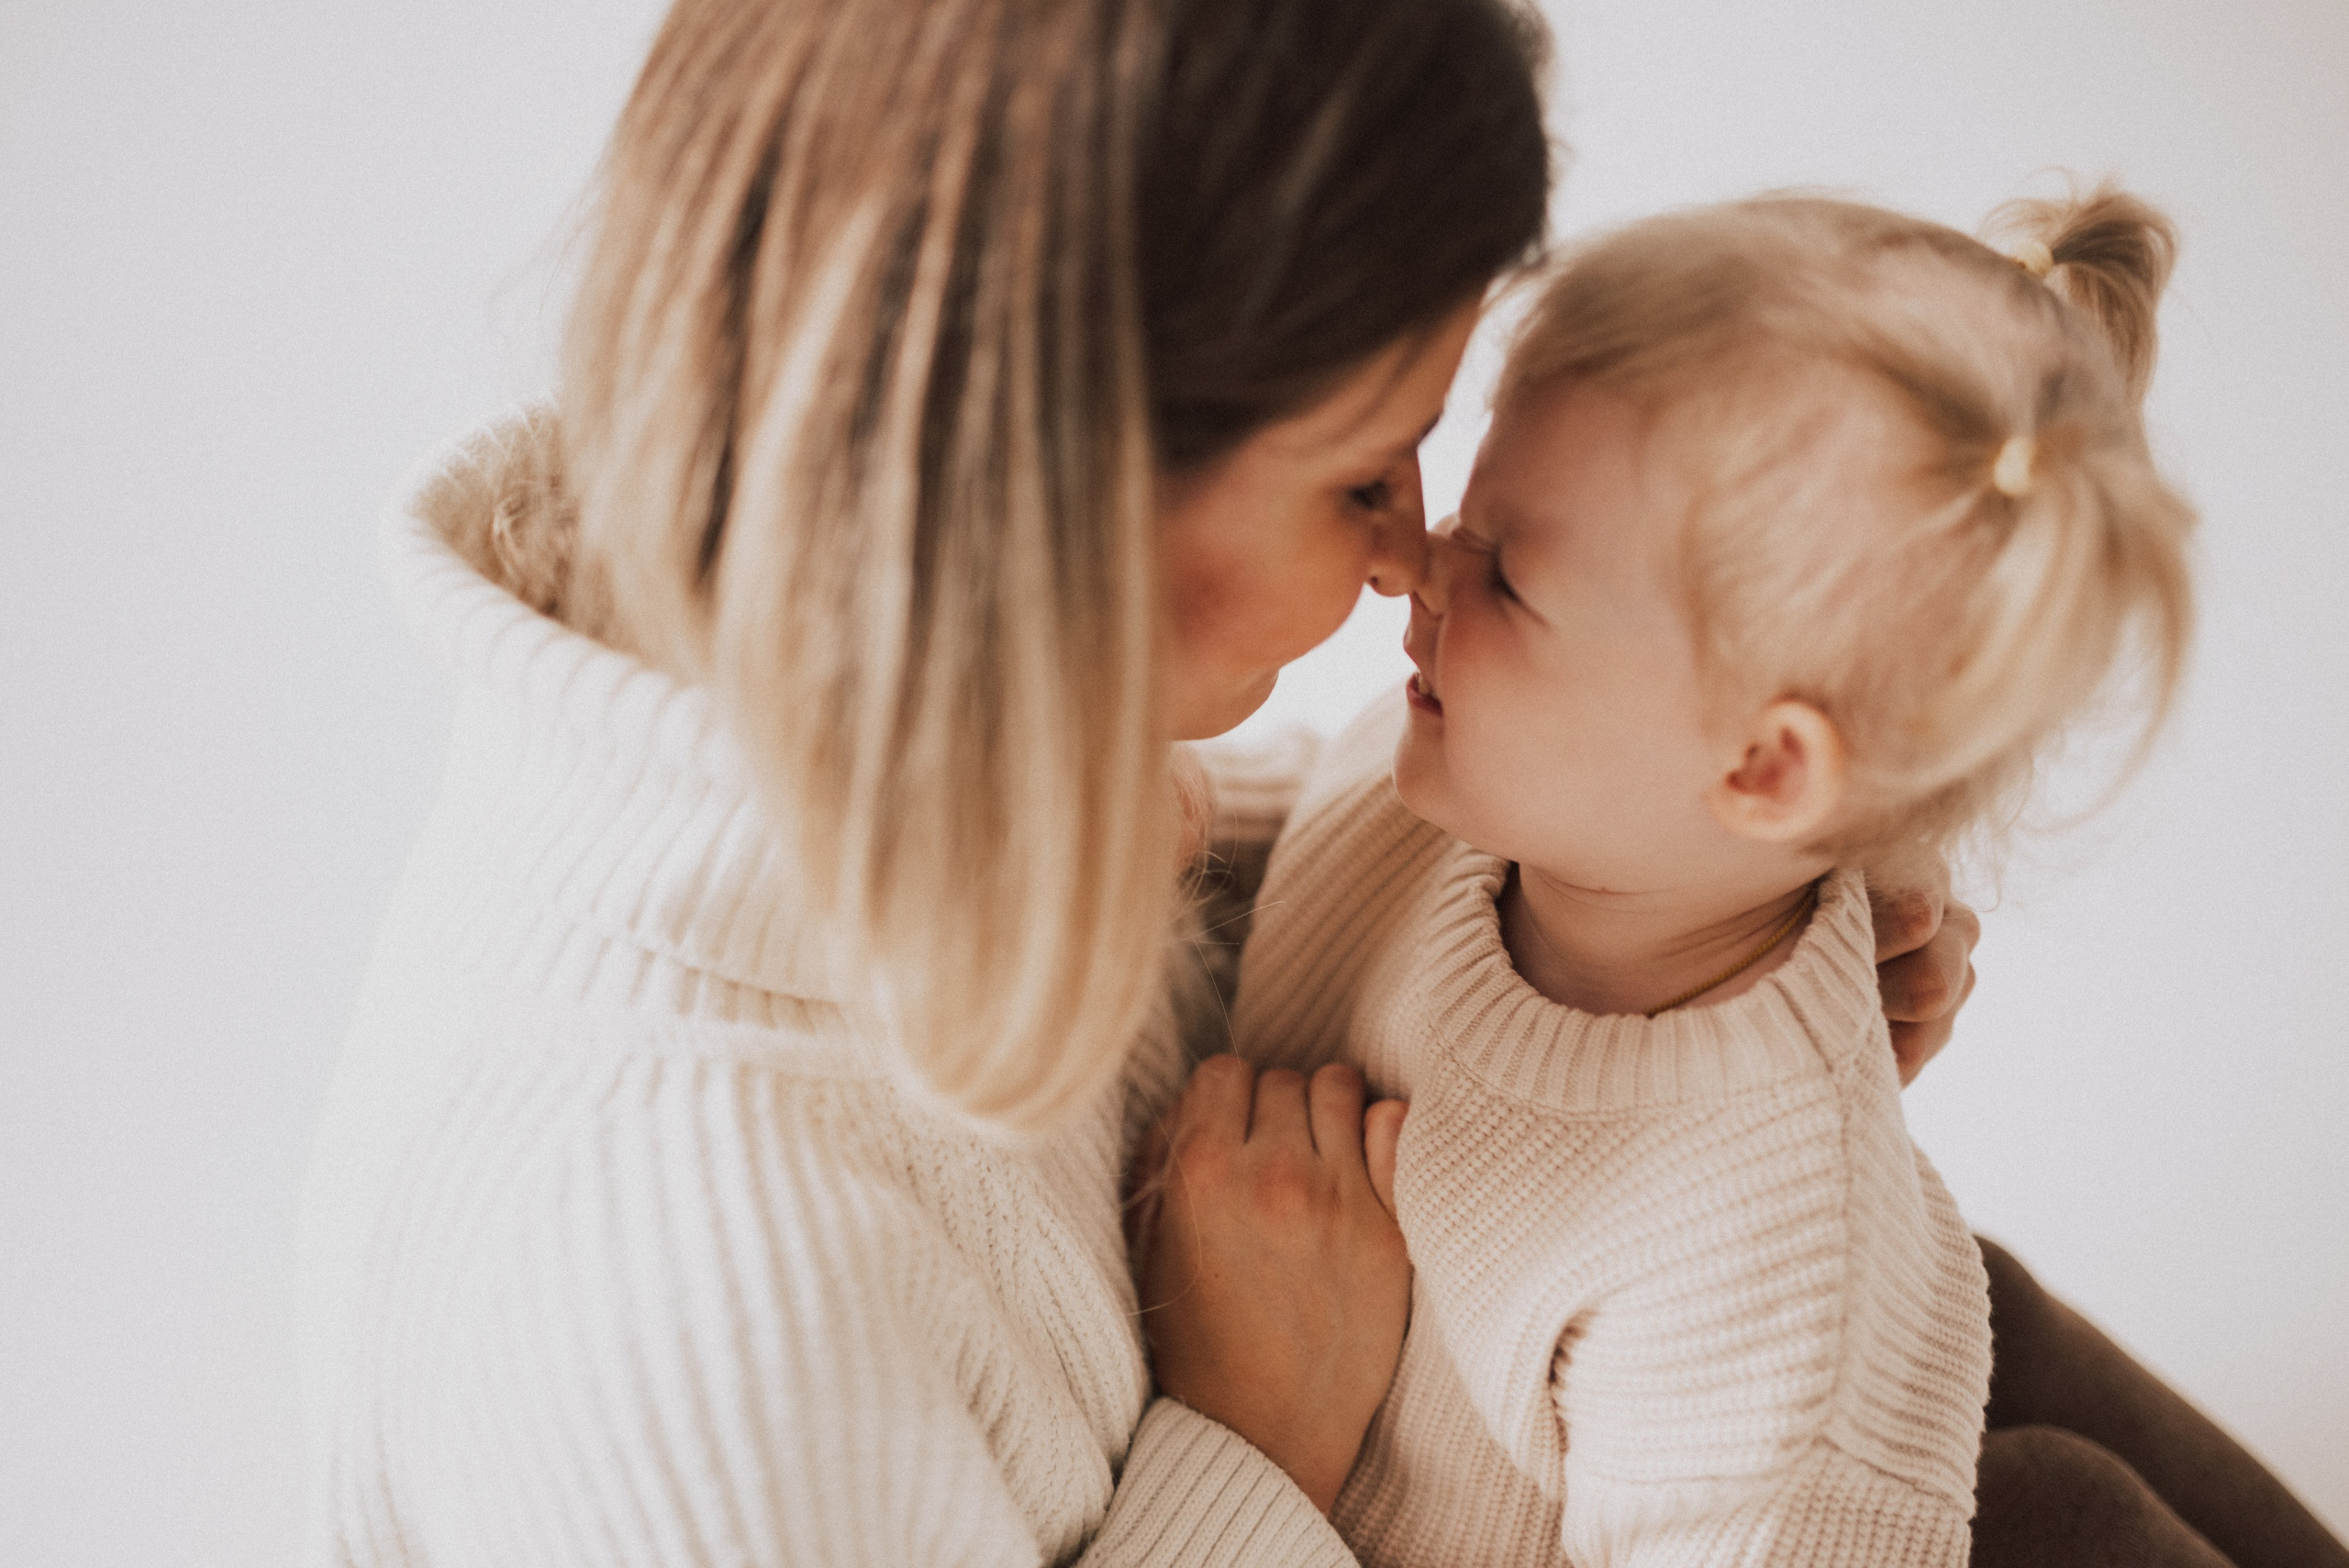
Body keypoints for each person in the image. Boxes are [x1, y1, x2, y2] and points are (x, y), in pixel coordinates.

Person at [296, 1, 1987, 1564]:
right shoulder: (682, 1341)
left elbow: (1203, 860)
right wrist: (1253, 1441)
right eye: (1360, 475)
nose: (1408, 549)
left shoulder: (863, 758)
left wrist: (1670, 914)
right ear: (1055, 483)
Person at [1201, 187, 2349, 1568]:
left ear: (1761, 769)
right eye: (1472, 509)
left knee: (2071, 1516)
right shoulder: (1495, 785)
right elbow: (1301, 838)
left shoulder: (1752, 1280)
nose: (1424, 568)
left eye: (1510, 576)